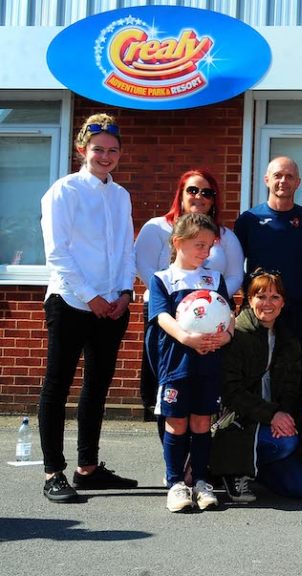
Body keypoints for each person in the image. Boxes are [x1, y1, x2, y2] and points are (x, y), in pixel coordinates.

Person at [39, 113, 138, 503]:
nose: (106, 156)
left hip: (112, 306)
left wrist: (125, 293)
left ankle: (88, 469)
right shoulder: (63, 191)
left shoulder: (122, 195)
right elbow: (56, 253)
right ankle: (52, 473)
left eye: (113, 150)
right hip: (70, 302)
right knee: (57, 386)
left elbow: (125, 251)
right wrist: (91, 295)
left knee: (96, 388)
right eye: (99, 149)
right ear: (83, 149)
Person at [135, 169, 244, 424]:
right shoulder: (157, 226)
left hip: (211, 321)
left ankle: (196, 462)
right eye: (192, 190)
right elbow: (144, 265)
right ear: (181, 194)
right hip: (166, 313)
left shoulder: (224, 235)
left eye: (207, 192)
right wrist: (179, 296)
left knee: (202, 393)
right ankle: (172, 452)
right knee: (169, 387)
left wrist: (211, 303)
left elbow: (236, 274)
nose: (199, 197)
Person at [146, 213, 233, 512]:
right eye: (199, 245)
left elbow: (227, 314)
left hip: (208, 363)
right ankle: (175, 484)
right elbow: (161, 317)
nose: (205, 252)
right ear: (177, 242)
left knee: (201, 423)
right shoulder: (163, 279)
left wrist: (226, 336)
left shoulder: (214, 278)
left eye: (209, 246)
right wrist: (186, 338)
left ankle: (200, 482)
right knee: (177, 423)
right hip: (176, 363)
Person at [211, 270, 302, 504]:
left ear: (283, 302)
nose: (268, 303)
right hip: (240, 420)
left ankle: (253, 468)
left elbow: (291, 388)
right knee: (283, 442)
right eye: (261, 296)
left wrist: (283, 415)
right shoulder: (236, 334)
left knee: (299, 488)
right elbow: (230, 390)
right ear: (249, 299)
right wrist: (271, 415)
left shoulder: (289, 340)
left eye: (275, 297)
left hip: (271, 422)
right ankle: (233, 471)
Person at [234, 156, 302, 405]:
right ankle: (254, 433)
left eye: (289, 176)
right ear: (267, 180)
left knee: (298, 374)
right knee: (258, 370)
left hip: (297, 311)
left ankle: (297, 438)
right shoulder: (248, 220)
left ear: (298, 182)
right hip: (261, 311)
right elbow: (234, 264)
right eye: (277, 175)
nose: (283, 181)